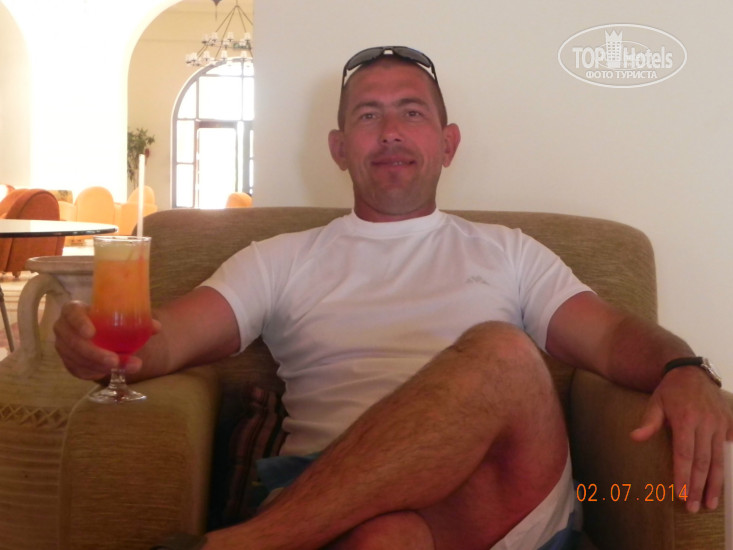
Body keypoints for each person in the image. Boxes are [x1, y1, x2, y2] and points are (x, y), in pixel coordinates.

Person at [54, 46, 732, 550]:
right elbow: (171, 335)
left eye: (411, 112)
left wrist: (682, 368)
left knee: (502, 354)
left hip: (498, 492)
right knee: (387, 539)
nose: (390, 132)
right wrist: (106, 347)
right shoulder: (278, 258)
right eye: (368, 115)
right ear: (339, 148)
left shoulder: (509, 251)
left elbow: (610, 337)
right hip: (333, 496)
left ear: (447, 143)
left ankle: (244, 546)